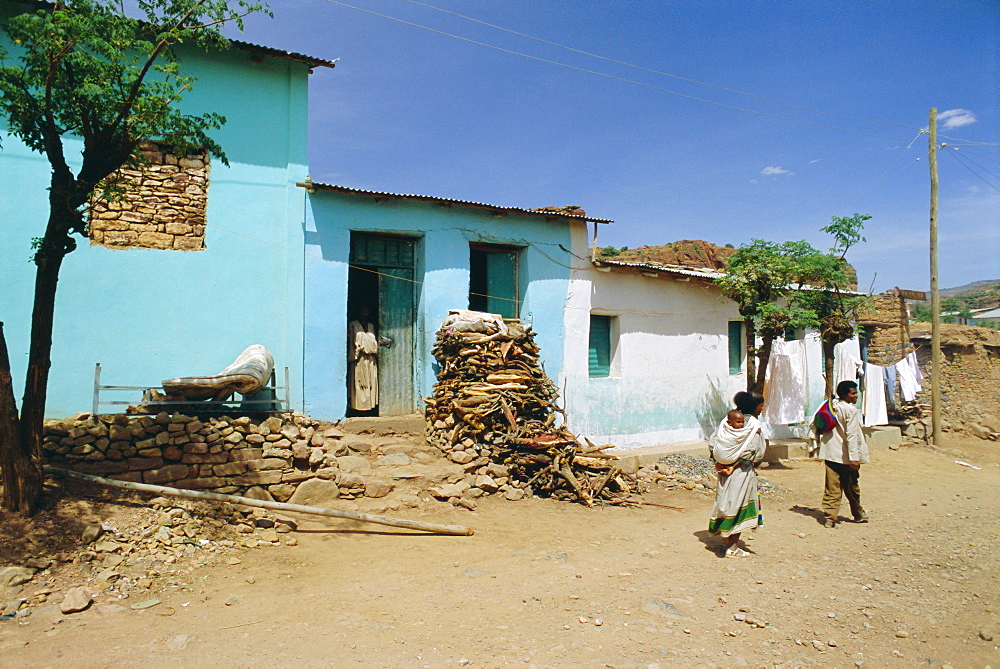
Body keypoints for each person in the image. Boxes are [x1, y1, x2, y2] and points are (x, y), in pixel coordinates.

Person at [708, 391, 767, 557]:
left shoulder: (727, 422)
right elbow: (753, 451)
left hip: (723, 469)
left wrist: (719, 462)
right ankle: (733, 546)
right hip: (741, 472)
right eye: (761, 405)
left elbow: (713, 442)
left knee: (725, 501)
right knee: (739, 504)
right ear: (754, 406)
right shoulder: (752, 425)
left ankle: (725, 536)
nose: (762, 409)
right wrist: (736, 465)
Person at [816, 380, 870, 528]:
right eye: (853, 393)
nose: (856, 396)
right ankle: (858, 514)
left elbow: (816, 423)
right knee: (852, 486)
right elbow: (852, 435)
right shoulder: (850, 411)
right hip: (846, 456)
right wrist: (854, 458)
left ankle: (830, 518)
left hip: (830, 454)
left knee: (832, 487)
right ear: (845, 394)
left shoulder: (830, 405)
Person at [348, 306, 379, 412]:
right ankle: (357, 409)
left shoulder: (371, 326)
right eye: (362, 311)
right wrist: (354, 357)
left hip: (370, 359)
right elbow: (351, 341)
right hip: (359, 359)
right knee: (360, 382)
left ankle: (370, 409)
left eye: (367, 311)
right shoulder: (353, 325)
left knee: (370, 382)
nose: (365, 313)